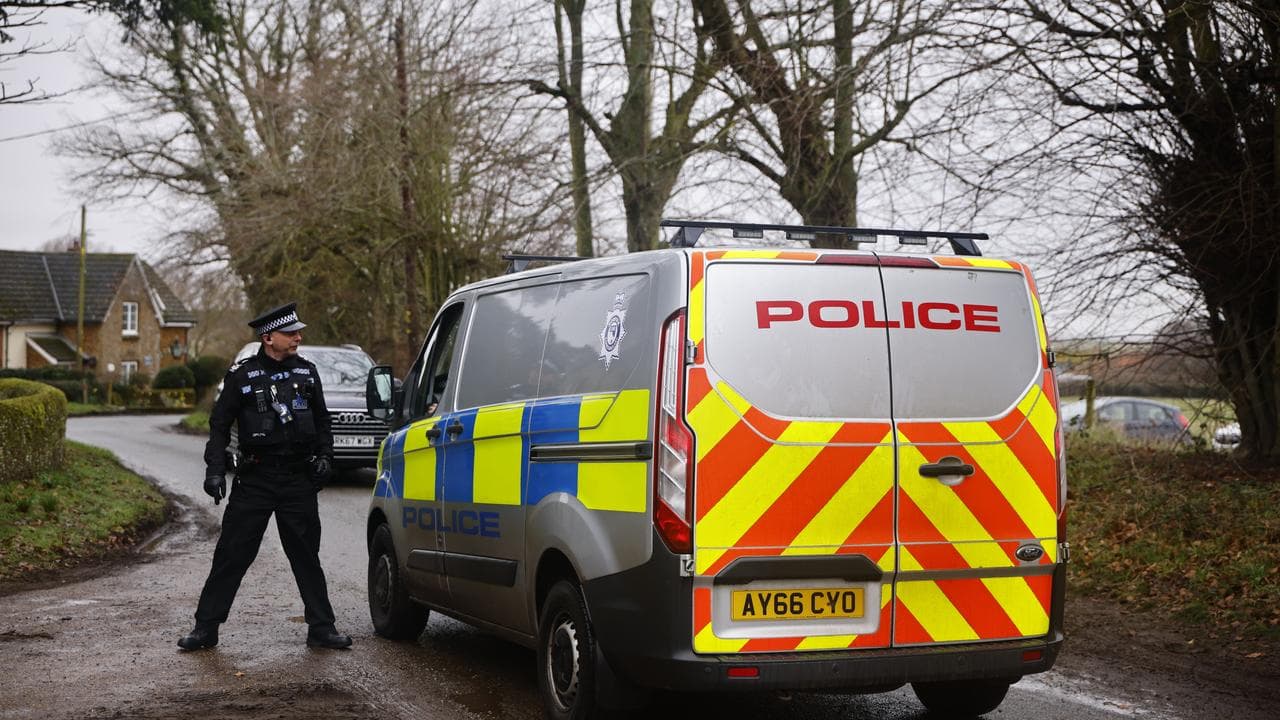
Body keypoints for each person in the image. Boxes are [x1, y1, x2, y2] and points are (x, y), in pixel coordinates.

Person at [178, 303, 352, 651]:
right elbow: (219, 426)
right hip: (255, 479)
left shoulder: (307, 372)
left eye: (298, 332)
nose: (298, 337)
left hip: (297, 479)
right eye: (291, 333)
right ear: (269, 337)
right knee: (232, 555)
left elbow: (323, 422)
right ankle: (206, 628)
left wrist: (326, 458)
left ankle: (322, 627)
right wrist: (214, 470)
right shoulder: (242, 375)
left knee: (306, 555)